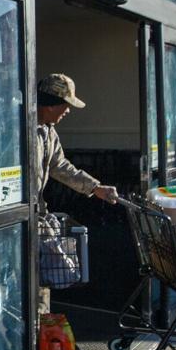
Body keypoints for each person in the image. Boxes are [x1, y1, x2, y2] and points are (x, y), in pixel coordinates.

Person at [34, 72, 117, 316]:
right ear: (51, 104)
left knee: (42, 280)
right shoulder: (21, 129)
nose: (68, 111)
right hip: (18, 217)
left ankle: (42, 328)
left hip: (37, 213)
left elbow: (60, 166)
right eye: (66, 104)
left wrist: (95, 188)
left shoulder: (48, 131)